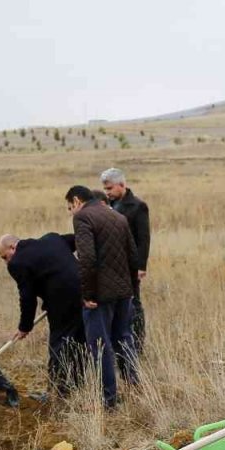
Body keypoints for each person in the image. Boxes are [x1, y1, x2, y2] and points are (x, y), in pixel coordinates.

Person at [66, 186, 139, 408]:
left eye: (70, 207)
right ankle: (134, 383)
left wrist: (87, 294)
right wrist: (131, 289)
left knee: (100, 346)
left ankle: (109, 399)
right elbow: (133, 255)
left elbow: (87, 258)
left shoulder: (83, 217)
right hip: (123, 292)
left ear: (77, 201)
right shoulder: (118, 216)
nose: (71, 212)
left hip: (99, 296)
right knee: (123, 338)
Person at [0, 232, 85, 397]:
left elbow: (27, 297)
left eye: (5, 257)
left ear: (13, 247)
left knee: (60, 344)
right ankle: (78, 387)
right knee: (79, 342)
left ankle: (59, 392)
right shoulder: (53, 239)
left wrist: (25, 326)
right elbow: (81, 239)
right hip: (87, 293)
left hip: (63, 301)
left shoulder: (17, 263)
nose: (6, 262)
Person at [100, 167, 150, 367]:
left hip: (130, 265)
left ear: (122, 184)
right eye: (105, 189)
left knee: (134, 304)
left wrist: (140, 265)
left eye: (110, 188)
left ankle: (137, 344)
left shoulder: (138, 206)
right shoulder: (108, 205)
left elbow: (143, 238)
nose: (107, 192)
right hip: (113, 265)